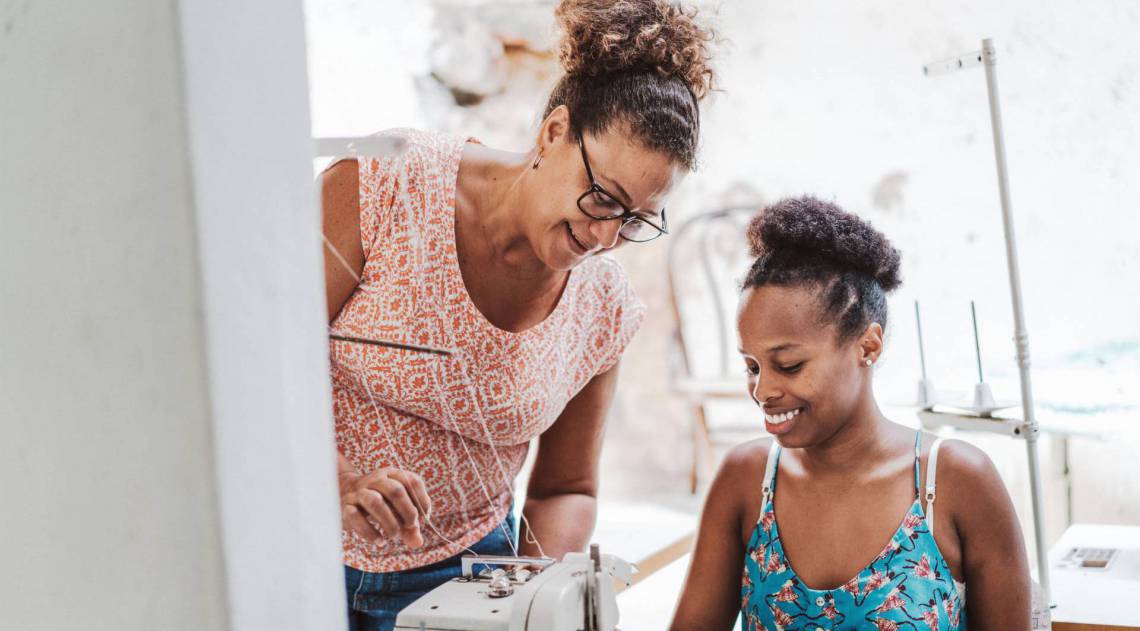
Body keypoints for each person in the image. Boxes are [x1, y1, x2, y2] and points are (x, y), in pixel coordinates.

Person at [319, 1, 715, 628]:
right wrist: (337, 482)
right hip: (299, 551)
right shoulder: (381, 183)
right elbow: (268, 361)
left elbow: (566, 488)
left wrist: (529, 601)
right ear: (554, 132)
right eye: (603, 197)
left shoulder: (603, 308)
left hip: (466, 578)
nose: (607, 235)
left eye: (636, 218)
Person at [670, 197, 1031, 629]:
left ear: (867, 346)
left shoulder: (955, 483)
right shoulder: (746, 482)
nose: (763, 390)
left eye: (789, 365)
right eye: (752, 366)